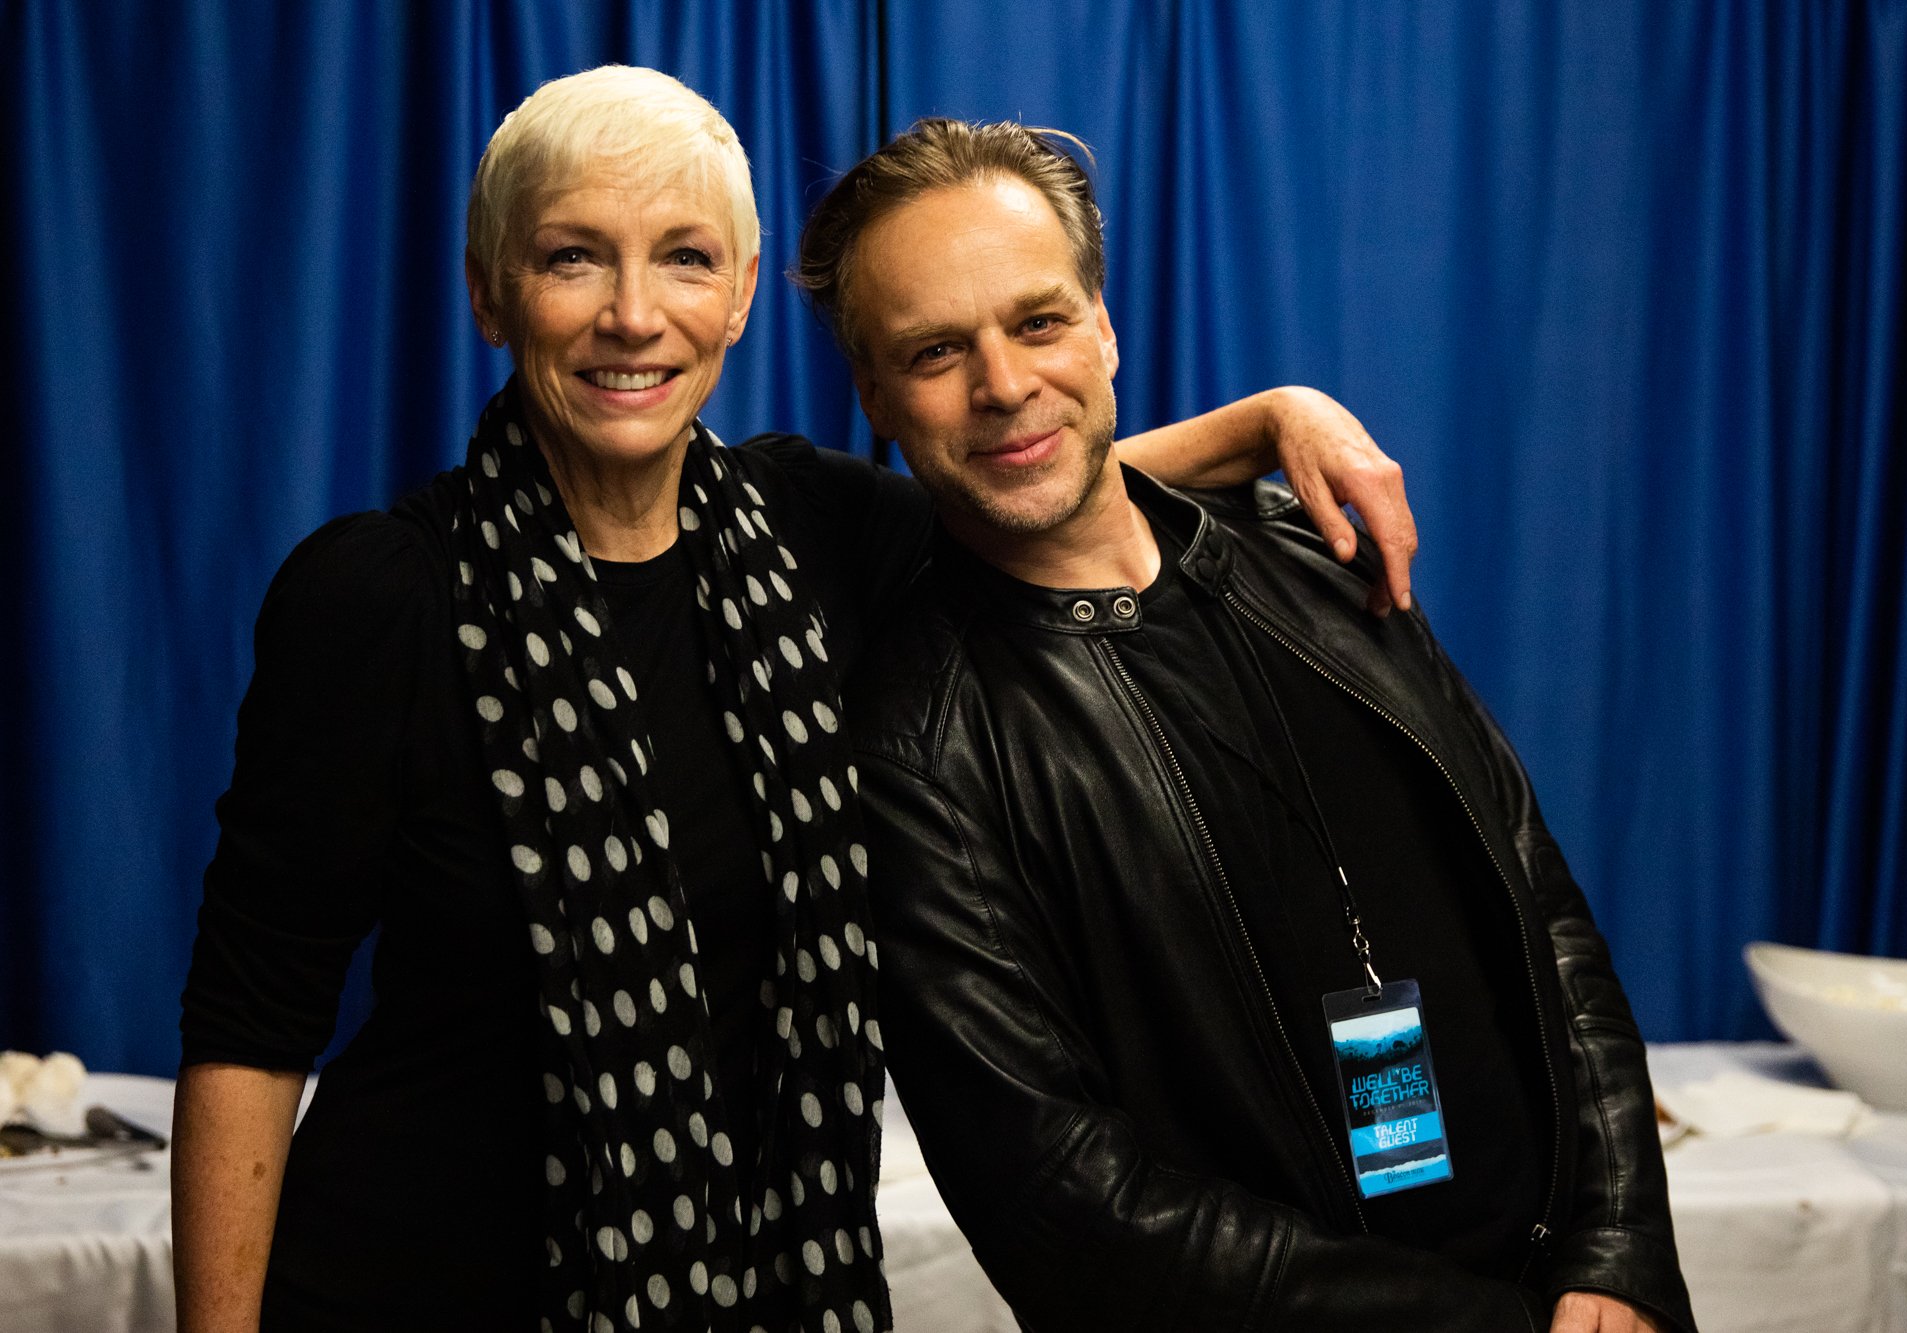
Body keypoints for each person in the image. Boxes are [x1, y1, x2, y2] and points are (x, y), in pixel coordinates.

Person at [170, 68, 1422, 1333]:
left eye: (683, 259)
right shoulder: (376, 596)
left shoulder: (799, 529)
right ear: (490, 294)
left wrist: (1277, 418)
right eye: (570, 259)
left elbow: (1028, 477)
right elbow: (248, 1025)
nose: (632, 314)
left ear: (740, 299)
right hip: (412, 1289)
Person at [794, 118, 1697, 1333]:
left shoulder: (1310, 552)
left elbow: (1539, 909)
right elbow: (1064, 1198)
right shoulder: (915, 752)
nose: (1002, 383)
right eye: (935, 349)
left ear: (1103, 325)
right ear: (874, 396)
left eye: (1038, 320)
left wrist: (1617, 1249)